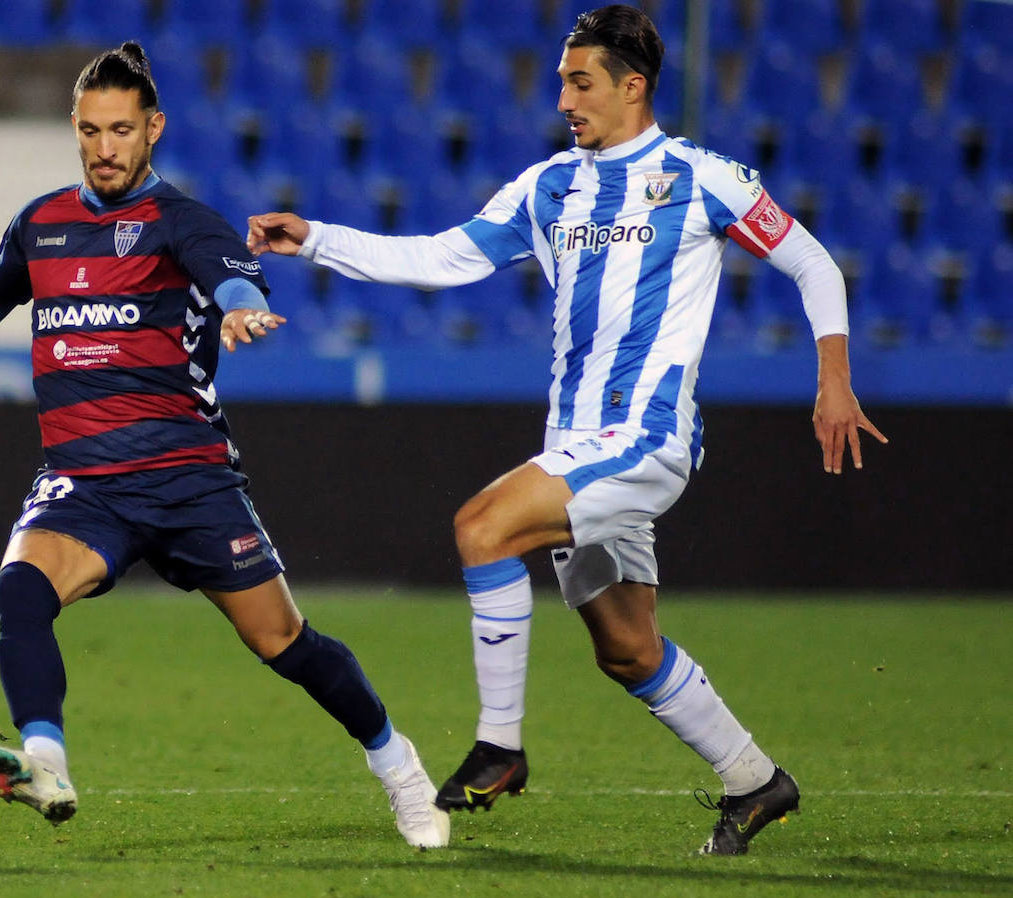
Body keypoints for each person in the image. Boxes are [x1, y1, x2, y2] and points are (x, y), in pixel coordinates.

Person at [246, 5, 887, 855]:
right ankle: (757, 781)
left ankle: (500, 746)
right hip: (575, 445)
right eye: (560, 81)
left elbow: (809, 259)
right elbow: (446, 256)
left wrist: (833, 379)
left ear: (633, 85)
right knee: (625, 647)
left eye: (579, 81)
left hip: (646, 435)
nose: (564, 99)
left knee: (482, 526)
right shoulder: (551, 185)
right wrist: (318, 239)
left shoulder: (700, 175)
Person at [0, 42, 448, 849]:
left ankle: (398, 767)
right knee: (21, 588)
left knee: (283, 642)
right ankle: (45, 759)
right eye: (89, 131)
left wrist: (239, 306)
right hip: (86, 482)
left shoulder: (179, 221)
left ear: (153, 128)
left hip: (189, 478)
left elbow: (232, 276)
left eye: (121, 130)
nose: (104, 148)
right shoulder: (42, 224)